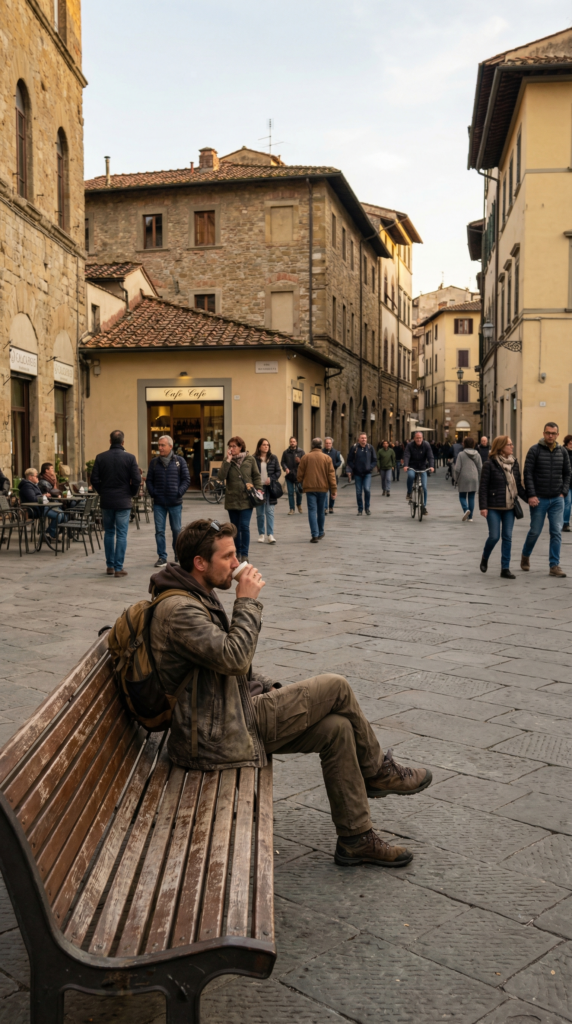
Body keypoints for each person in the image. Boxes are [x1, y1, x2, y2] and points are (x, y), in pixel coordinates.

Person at [148, 518, 432, 867]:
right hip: (216, 735)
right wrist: (247, 602)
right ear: (200, 563)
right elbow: (235, 657)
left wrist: (269, 689)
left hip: (228, 714)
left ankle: (356, 838)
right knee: (336, 686)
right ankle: (376, 771)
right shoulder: (180, 609)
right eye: (229, 557)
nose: (237, 564)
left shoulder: (195, 595)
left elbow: (227, 667)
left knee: (337, 730)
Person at [521, 422, 571, 577]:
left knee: (556, 531)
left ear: (557, 435)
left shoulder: (562, 451)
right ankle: (525, 555)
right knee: (535, 531)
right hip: (539, 499)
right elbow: (527, 473)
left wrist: (563, 492)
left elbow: (568, 473)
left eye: (554, 433)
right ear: (544, 433)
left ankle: (554, 565)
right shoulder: (534, 450)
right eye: (548, 433)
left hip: (557, 498)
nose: (551, 436)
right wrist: (531, 495)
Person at [91, 430, 141, 577]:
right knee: (121, 534)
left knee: (109, 532)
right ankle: (119, 568)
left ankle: (110, 566)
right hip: (123, 500)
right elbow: (137, 480)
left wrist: (102, 491)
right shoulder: (130, 458)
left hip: (107, 500)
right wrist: (131, 492)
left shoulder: (100, 457)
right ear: (123, 442)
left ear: (110, 441)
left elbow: (94, 479)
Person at [479, 435, 525, 578]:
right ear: (501, 447)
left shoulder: (514, 463)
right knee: (494, 536)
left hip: (510, 507)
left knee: (507, 537)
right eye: (509, 445)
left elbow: (518, 485)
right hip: (493, 507)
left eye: (511, 444)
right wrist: (483, 507)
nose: (512, 447)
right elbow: (483, 487)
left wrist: (530, 498)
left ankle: (505, 568)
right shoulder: (490, 464)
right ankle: (485, 557)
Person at [146, 434, 190, 568]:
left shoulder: (179, 461)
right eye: (159, 445)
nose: (160, 448)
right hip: (159, 503)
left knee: (176, 530)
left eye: (162, 445)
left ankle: (178, 553)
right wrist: (153, 493)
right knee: (159, 530)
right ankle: (162, 557)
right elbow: (149, 480)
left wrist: (179, 492)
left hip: (175, 503)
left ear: (170, 446)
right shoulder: (154, 462)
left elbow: (186, 479)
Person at [218, 435, 261, 561]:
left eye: (234, 446)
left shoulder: (250, 459)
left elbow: (256, 476)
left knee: (244, 526)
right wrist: (228, 461)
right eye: (230, 446)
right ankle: (236, 553)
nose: (231, 448)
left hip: (247, 498)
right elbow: (221, 477)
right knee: (234, 528)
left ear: (240, 447)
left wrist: (259, 489)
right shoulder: (227, 460)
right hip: (232, 499)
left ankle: (244, 553)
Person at [297, 438, 337, 542]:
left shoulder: (305, 458)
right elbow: (331, 475)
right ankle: (320, 532)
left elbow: (299, 475)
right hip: (323, 488)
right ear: (321, 445)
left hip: (310, 488)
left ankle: (314, 534)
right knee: (321, 511)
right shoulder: (327, 458)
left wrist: (300, 481)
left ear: (312, 445)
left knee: (312, 510)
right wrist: (333, 490)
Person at [18, 468, 65, 539]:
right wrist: (43, 496)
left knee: (61, 513)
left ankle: (47, 533)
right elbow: (33, 499)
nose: (38, 478)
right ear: (30, 477)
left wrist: (43, 495)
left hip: (40, 507)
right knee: (58, 515)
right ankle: (50, 534)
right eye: (36, 476)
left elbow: (35, 496)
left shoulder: (32, 485)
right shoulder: (27, 486)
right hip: (35, 509)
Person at [254, 437, 281, 544]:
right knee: (260, 513)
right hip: (259, 489)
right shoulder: (254, 458)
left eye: (268, 445)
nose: (266, 446)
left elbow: (278, 471)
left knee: (270, 512)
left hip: (270, 488)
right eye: (264, 445)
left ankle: (270, 535)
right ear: (259, 447)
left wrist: (272, 478)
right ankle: (261, 534)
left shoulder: (273, 458)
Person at [403, 431, 435, 514]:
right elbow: (406, 455)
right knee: (410, 476)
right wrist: (406, 465)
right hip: (412, 467)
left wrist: (431, 466)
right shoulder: (410, 445)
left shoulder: (426, 445)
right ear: (414, 438)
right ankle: (409, 492)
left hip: (422, 467)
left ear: (422, 438)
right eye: (417, 438)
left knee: (424, 487)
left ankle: (423, 506)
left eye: (420, 438)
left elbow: (430, 456)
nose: (418, 439)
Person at [347, 432, 377, 516]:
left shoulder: (370, 448)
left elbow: (374, 460)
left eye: (365, 438)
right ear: (358, 439)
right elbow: (349, 460)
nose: (364, 439)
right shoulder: (354, 448)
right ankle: (360, 509)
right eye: (362, 438)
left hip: (367, 473)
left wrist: (370, 467)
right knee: (358, 491)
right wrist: (354, 467)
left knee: (367, 489)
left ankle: (367, 508)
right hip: (357, 473)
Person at [453, 437, 482, 521]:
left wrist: (456, 479)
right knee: (471, 497)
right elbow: (480, 468)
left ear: (464, 444)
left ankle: (466, 509)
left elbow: (457, 469)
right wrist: (479, 479)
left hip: (464, 477)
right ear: (473, 444)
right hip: (474, 477)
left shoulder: (461, 454)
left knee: (462, 496)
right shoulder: (477, 454)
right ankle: (470, 517)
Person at [281, 437, 305, 515]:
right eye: (291, 441)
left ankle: (299, 504)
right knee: (290, 493)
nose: (292, 443)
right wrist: (285, 468)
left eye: (294, 441)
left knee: (299, 491)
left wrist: (300, 461)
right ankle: (292, 509)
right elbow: (283, 462)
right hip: (289, 476)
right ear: (289, 443)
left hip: (299, 475)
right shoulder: (285, 452)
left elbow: (305, 463)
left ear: (296, 442)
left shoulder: (301, 452)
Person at [324, 436, 342, 513]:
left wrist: (334, 465)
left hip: (332, 475)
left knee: (332, 491)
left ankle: (331, 506)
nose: (328, 445)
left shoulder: (336, 452)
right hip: (323, 475)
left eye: (329, 443)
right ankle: (325, 508)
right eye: (327, 443)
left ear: (332, 444)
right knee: (324, 492)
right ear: (324, 444)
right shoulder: (321, 452)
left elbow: (339, 461)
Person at [562, 435, 572, 532]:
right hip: (567, 483)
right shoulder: (563, 452)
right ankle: (565, 523)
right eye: (570, 442)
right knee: (567, 503)